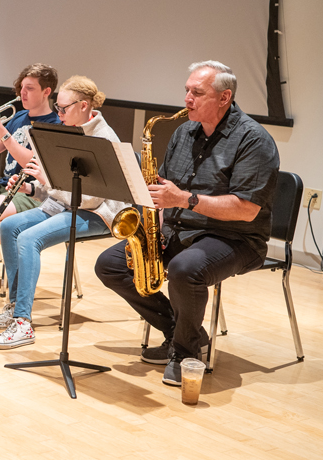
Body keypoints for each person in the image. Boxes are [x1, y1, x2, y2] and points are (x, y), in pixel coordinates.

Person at [95, 61, 278, 385]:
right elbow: (165, 188)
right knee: (111, 264)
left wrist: (185, 200)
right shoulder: (184, 132)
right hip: (180, 227)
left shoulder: (253, 139)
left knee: (184, 269)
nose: (187, 99)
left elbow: (246, 209)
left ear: (224, 97)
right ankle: (178, 331)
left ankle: (186, 350)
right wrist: (155, 228)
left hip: (235, 237)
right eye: (186, 91)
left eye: (197, 92)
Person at [0, 76, 124, 348]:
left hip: (99, 213)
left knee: (28, 239)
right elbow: (57, 187)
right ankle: (15, 306)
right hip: (65, 204)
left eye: (63, 109)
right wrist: (31, 189)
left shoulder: (103, 138)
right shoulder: (69, 127)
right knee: (9, 227)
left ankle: (24, 324)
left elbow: (89, 198)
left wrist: (46, 183)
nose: (58, 115)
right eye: (58, 109)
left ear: (84, 106)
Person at [0, 63, 61, 236]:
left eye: (30, 88)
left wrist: (2, 132)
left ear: (46, 91)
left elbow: (33, 163)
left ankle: (18, 259)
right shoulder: (19, 116)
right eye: (21, 87)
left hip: (29, 190)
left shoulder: (53, 124)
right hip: (5, 183)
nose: (22, 93)